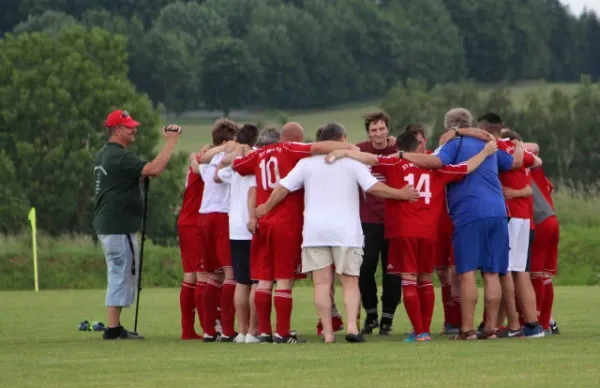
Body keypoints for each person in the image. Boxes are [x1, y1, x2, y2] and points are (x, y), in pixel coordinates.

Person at [256, 123, 420, 343]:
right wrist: (400, 194)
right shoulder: (352, 162)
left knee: (322, 284)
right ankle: (352, 328)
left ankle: (328, 333)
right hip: (346, 231)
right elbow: (374, 188)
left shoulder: (305, 163)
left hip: (315, 231)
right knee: (350, 282)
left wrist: (265, 208)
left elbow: (282, 188)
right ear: (342, 138)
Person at [329, 131, 498, 342]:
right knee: (425, 279)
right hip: (429, 232)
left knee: (408, 279)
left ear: (400, 147)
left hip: (403, 230)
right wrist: (485, 152)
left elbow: (370, 158)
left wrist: (342, 152)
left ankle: (420, 332)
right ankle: (424, 329)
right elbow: (467, 167)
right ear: (418, 148)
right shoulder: (436, 168)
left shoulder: (394, 163)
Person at [230, 122, 358, 344]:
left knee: (263, 279)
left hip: (262, 222)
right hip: (285, 222)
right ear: (297, 138)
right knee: (283, 279)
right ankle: (282, 332)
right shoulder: (291, 149)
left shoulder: (261, 153)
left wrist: (239, 150)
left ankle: (263, 332)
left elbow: (238, 165)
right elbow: (317, 149)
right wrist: (347, 147)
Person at [396, 108, 515, 340]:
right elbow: (510, 162)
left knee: (467, 272)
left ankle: (467, 329)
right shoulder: (488, 143)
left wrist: (403, 155)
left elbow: (436, 161)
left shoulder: (453, 143)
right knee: (492, 272)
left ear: (448, 127)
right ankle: (490, 328)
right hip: (498, 212)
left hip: (469, 212)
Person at [93, 109, 181, 340]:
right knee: (120, 273)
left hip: (111, 224)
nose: (135, 129)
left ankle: (115, 326)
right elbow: (154, 169)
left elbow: (128, 178)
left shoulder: (106, 154)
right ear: (117, 130)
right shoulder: (119, 156)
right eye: (129, 126)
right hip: (118, 226)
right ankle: (112, 329)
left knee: (119, 272)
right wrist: (171, 142)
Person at [477, 118, 544, 339]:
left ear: (484, 131)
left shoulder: (496, 149)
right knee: (514, 272)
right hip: (522, 218)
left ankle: (525, 325)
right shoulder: (513, 147)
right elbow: (536, 160)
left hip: (512, 217)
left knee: (511, 272)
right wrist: (517, 147)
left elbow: (517, 163)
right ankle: (516, 324)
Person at [356, 112, 402, 335]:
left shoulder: (398, 149)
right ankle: (371, 314)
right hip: (367, 220)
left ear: (388, 129)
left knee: (392, 271)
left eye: (382, 129)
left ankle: (387, 319)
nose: (378, 134)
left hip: (395, 220)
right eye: (374, 130)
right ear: (368, 133)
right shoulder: (359, 150)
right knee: (365, 269)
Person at [216, 124, 260, 344]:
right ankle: (253, 331)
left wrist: (234, 155)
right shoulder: (258, 162)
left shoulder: (236, 166)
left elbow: (218, 174)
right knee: (256, 282)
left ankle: (241, 332)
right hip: (254, 227)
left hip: (235, 229)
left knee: (241, 282)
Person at [195, 119, 238, 342]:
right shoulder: (228, 159)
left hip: (204, 216)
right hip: (222, 216)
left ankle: (209, 330)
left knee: (213, 276)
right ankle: (229, 330)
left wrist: (208, 151)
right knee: (230, 274)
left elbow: (196, 163)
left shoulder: (206, 162)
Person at [177, 146, 209, 340]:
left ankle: (188, 329)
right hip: (195, 223)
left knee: (191, 275)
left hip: (186, 221)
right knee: (201, 274)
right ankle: (207, 327)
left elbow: (193, 157)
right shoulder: (203, 164)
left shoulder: (196, 160)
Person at [529, 165, 560, 334]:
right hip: (551, 218)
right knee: (544, 276)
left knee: (534, 275)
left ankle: (538, 322)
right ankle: (548, 322)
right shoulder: (536, 169)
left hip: (540, 220)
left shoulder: (522, 164)